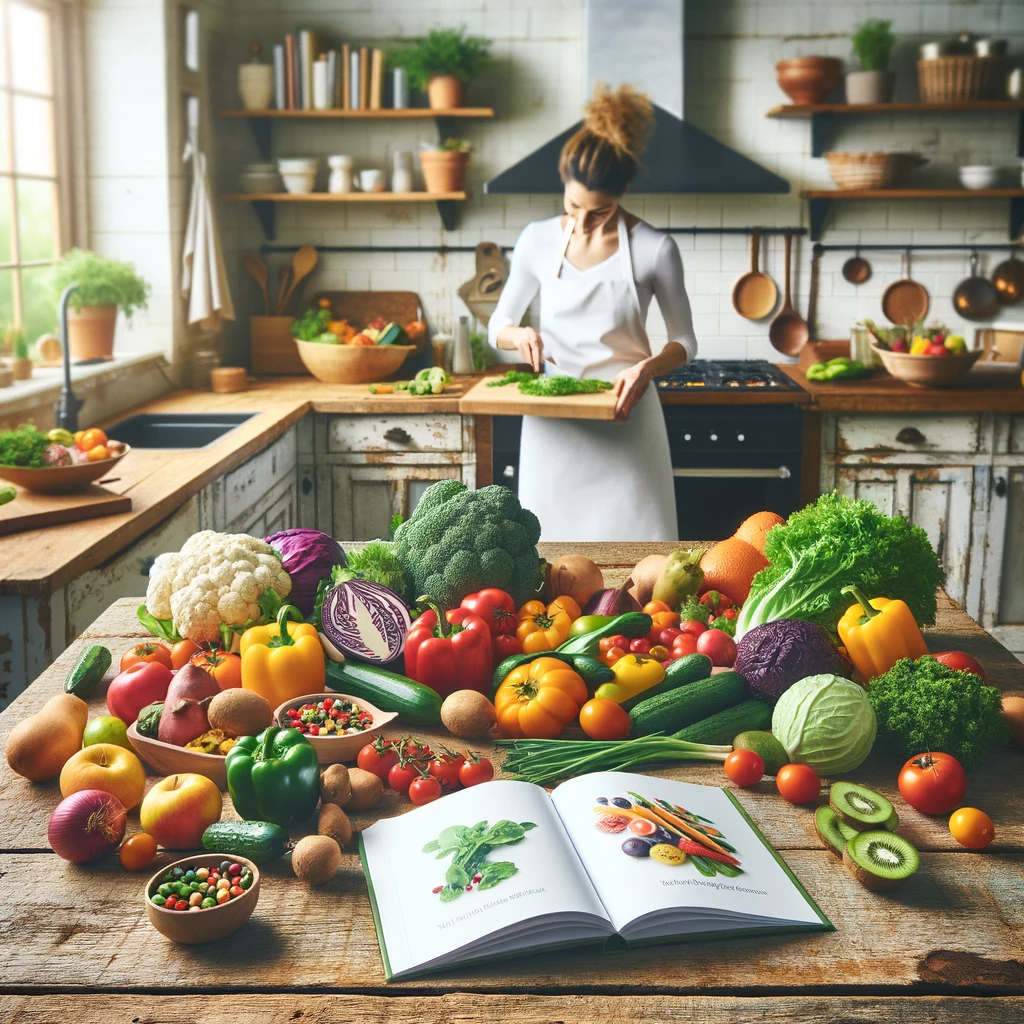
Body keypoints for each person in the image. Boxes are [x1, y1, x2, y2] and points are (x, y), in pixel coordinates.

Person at [488, 83, 696, 542]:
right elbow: (496, 326)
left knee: (641, 560)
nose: (582, 224)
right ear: (563, 180)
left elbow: (686, 343)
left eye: (599, 212)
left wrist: (646, 368)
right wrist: (519, 335)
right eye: (573, 205)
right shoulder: (536, 239)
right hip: (553, 423)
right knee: (549, 561)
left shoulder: (655, 248)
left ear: (623, 191)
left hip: (627, 417)